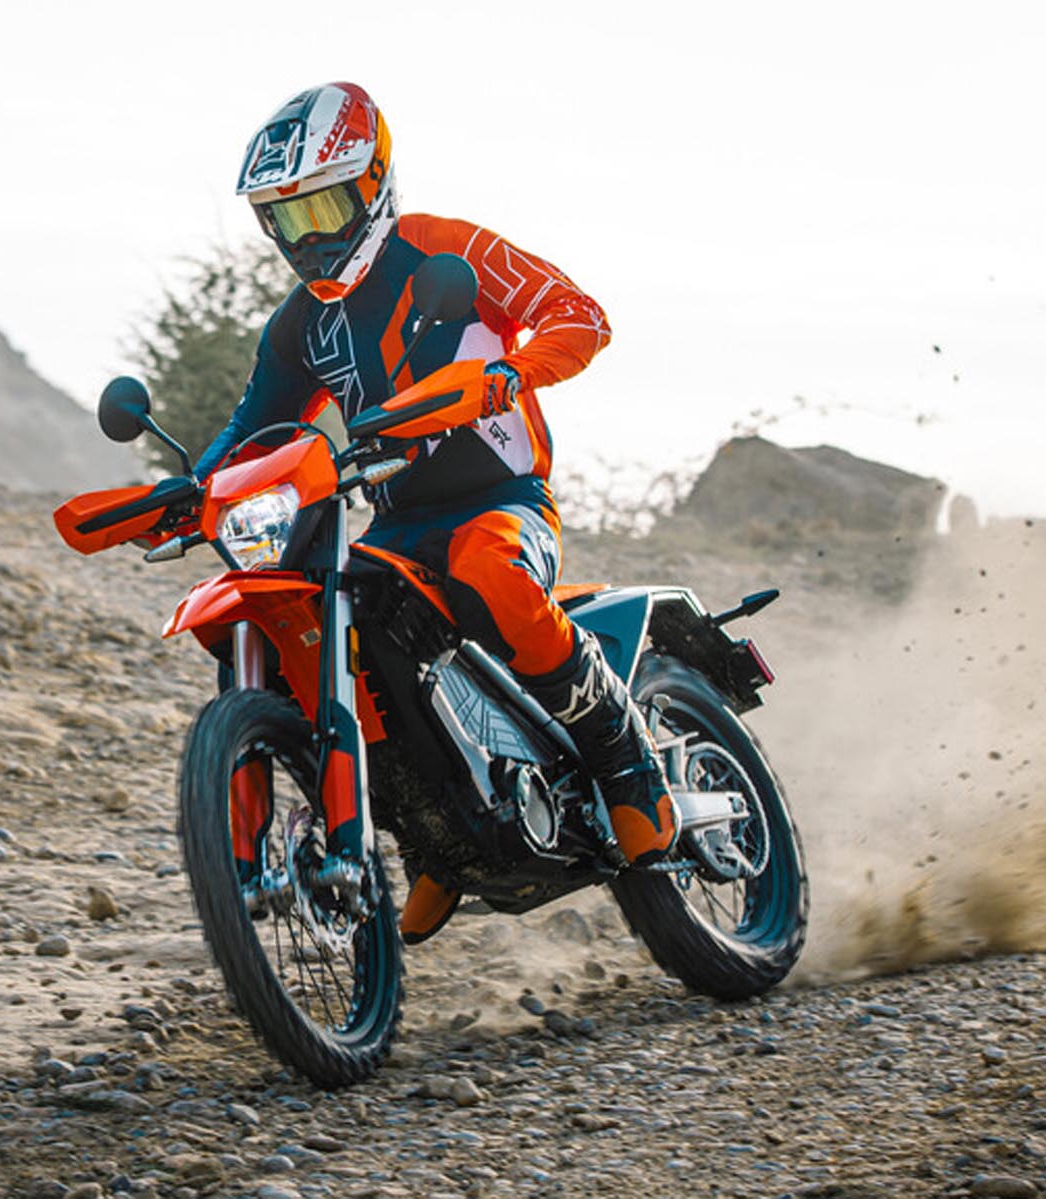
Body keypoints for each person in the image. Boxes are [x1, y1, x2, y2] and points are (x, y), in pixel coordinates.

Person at [196, 82, 680, 943]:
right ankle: (433, 835)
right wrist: (185, 488)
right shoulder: (299, 327)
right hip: (394, 525)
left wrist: (509, 374)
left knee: (489, 570)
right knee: (333, 633)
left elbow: (578, 316)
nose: (308, 239)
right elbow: (250, 430)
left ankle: (623, 755)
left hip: (502, 500)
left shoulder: (446, 249)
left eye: (323, 209)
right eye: (286, 219)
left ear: (373, 182)